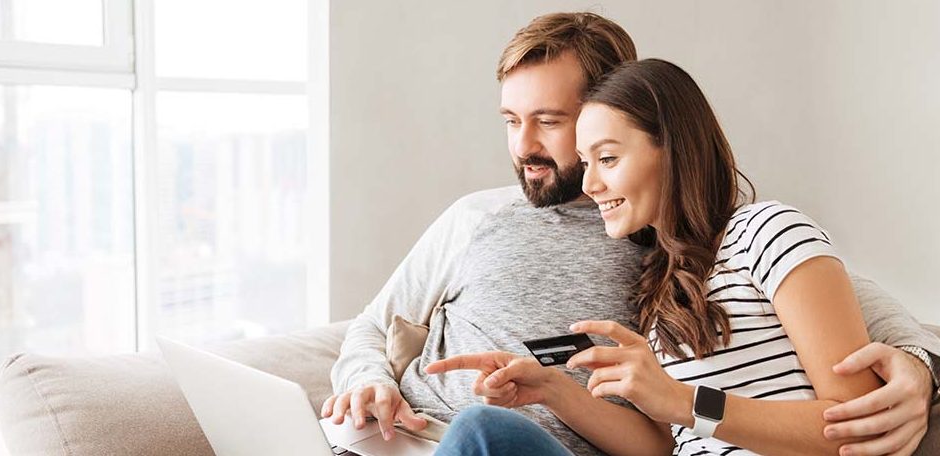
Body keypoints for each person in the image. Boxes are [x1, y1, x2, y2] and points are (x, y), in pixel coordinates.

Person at [323, 12, 940, 456]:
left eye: (550, 122)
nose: (523, 147)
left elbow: (850, 309)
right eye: (511, 121)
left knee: (483, 431)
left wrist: (919, 365)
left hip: (500, 444)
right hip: (402, 439)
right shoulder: (489, 221)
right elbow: (373, 327)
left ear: (618, 106)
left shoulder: (698, 243)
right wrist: (369, 380)